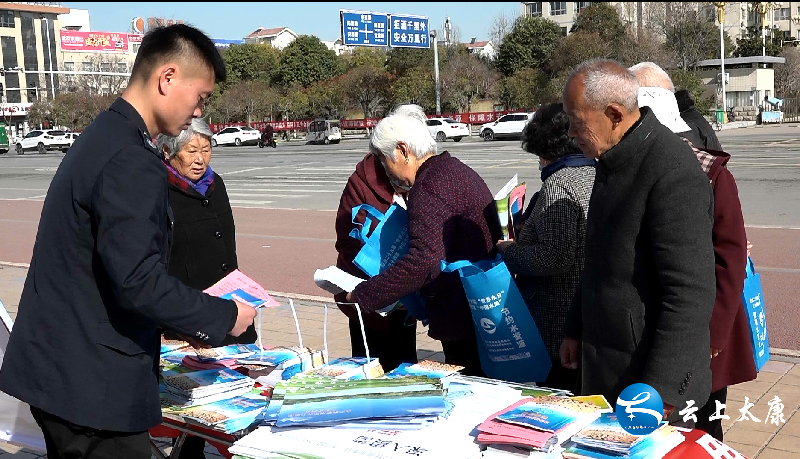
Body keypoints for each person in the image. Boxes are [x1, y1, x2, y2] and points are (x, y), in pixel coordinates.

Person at [0, 24, 257, 459]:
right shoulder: (131, 159)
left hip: (63, 371)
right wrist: (225, 315)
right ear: (167, 78)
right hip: (91, 387)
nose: (198, 111)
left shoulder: (107, 133)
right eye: (200, 96)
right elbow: (138, 280)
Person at [559, 59, 716, 426]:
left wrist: (661, 390)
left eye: (577, 122)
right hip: (605, 363)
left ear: (614, 114)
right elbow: (599, 261)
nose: (570, 132)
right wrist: (575, 329)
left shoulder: (671, 168)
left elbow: (690, 293)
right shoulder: (611, 157)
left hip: (648, 378)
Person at [631, 63, 755, 441]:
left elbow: (730, 254)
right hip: (655, 327)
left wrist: (713, 334)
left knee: (703, 425)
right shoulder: (627, 169)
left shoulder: (710, 171)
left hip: (705, 330)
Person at [346, 104, 502, 376]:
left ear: (403, 151)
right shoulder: (455, 169)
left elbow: (423, 261)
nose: (386, 171)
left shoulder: (427, 186)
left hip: (463, 316)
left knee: (468, 387)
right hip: (482, 308)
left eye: (385, 161)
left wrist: (365, 294)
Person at [156, 117, 256, 458]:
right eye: (191, 150)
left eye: (206, 149)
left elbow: (227, 245)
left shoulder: (216, 184)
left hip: (229, 301)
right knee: (193, 398)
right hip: (189, 311)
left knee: (238, 387)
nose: (200, 159)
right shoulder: (159, 191)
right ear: (168, 152)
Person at [496, 103, 595, 392]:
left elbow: (554, 257)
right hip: (583, 314)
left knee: (556, 394)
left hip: (557, 319)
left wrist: (509, 251)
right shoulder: (592, 172)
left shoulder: (559, 184)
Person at [334, 152, 418, 373]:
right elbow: (347, 241)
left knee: (405, 369)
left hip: (405, 300)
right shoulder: (361, 182)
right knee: (370, 369)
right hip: (368, 303)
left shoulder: (415, 176)